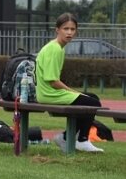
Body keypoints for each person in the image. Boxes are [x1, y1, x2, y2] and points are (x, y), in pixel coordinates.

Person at [36, 13, 103, 153]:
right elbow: (53, 81)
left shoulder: (58, 47)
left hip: (50, 92)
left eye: (72, 29)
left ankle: (73, 138)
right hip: (49, 93)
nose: (69, 32)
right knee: (93, 103)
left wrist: (73, 92)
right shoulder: (54, 49)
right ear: (57, 30)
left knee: (93, 98)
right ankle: (77, 140)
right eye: (65, 29)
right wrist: (72, 91)